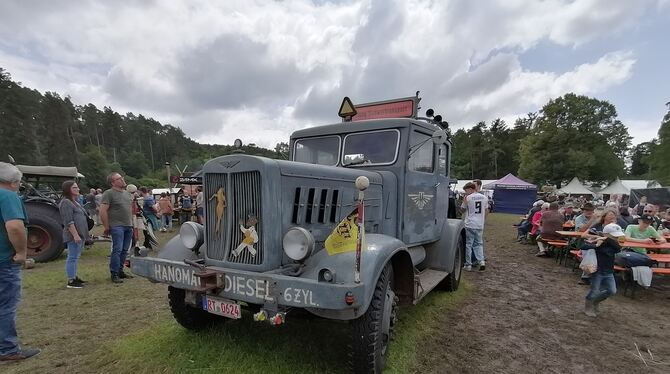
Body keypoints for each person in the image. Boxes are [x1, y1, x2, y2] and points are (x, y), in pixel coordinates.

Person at [0, 162, 40, 362]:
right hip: (3, 260)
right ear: (14, 182)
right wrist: (21, 253)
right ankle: (7, 349)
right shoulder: (7, 196)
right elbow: (15, 227)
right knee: (6, 304)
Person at [582, 223, 623, 317]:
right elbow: (583, 246)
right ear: (607, 234)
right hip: (598, 271)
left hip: (609, 271)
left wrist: (606, 239)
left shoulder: (613, 244)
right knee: (594, 290)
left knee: (612, 290)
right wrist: (596, 245)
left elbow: (618, 248)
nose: (616, 239)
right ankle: (588, 305)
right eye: (614, 236)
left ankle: (595, 301)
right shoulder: (599, 242)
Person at [99, 173, 133, 283]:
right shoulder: (109, 193)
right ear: (113, 182)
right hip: (117, 226)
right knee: (117, 249)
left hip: (128, 225)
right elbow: (103, 210)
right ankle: (114, 273)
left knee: (124, 250)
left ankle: (120, 271)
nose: (122, 179)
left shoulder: (127, 194)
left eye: (122, 177)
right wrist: (106, 226)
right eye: (119, 178)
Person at [58, 181, 90, 289]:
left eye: (77, 187)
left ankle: (74, 276)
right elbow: (69, 221)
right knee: (72, 257)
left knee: (76, 257)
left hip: (80, 234)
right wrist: (75, 235)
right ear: (68, 189)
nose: (78, 189)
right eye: (75, 187)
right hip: (73, 235)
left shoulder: (75, 202)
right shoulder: (66, 202)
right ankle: (71, 280)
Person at [460, 182, 488, 271]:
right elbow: (486, 210)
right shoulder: (484, 197)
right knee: (479, 244)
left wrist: (463, 202)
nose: (466, 192)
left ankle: (468, 264)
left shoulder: (468, 198)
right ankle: (481, 261)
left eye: (466, 190)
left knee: (469, 244)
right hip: (480, 224)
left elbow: (462, 210)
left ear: (471, 189)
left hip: (470, 224)